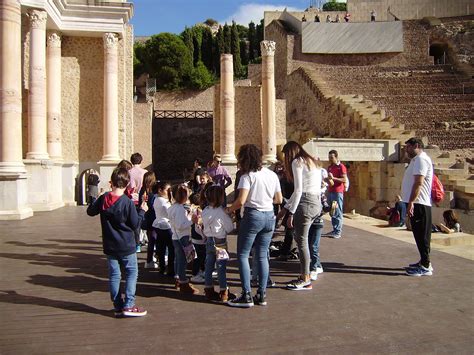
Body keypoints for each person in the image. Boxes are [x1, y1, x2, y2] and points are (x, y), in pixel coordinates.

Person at [86, 167, 148, 317]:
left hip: (110, 245)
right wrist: (142, 211)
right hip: (126, 245)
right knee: (131, 273)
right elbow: (135, 224)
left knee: (114, 275)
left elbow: (90, 211)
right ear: (127, 184)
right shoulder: (127, 202)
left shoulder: (104, 199)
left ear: (111, 182)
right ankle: (129, 304)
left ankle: (118, 306)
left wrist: (97, 196)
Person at [226, 144, 282, 307]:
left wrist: (229, 209)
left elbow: (241, 200)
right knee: (262, 254)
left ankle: (246, 295)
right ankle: (262, 294)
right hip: (269, 216)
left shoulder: (246, 176)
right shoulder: (272, 175)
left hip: (253, 215)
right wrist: (264, 201)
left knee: (243, 255)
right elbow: (278, 199)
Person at [281, 141, 322, 291]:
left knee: (301, 241)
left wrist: (291, 212)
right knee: (305, 240)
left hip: (305, 202)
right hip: (316, 203)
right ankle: (310, 270)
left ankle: (305, 277)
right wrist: (286, 208)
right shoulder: (312, 161)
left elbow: (298, 190)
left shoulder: (297, 162)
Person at [402, 137, 434, 277]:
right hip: (417, 203)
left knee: (422, 236)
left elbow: (419, 183)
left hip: (419, 203)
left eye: (408, 147)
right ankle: (423, 261)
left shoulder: (421, 159)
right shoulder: (416, 160)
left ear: (416, 145)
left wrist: (411, 202)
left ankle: (425, 266)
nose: (406, 150)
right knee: (418, 235)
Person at [200, 185, 235, 302]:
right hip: (220, 241)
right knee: (221, 267)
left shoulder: (204, 211)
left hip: (209, 239)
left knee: (209, 266)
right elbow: (229, 228)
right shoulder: (221, 212)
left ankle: (208, 289)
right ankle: (224, 291)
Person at [168, 184, 200, 294]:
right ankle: (183, 281)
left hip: (175, 237)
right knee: (183, 261)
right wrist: (192, 221)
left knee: (179, 259)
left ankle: (179, 278)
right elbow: (181, 225)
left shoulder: (172, 207)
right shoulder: (180, 209)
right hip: (182, 237)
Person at [323, 150, 347, 239]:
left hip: (337, 192)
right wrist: (327, 179)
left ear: (336, 157)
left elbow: (344, 179)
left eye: (332, 157)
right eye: (329, 157)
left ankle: (338, 231)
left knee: (337, 211)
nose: (330, 159)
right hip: (331, 191)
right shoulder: (330, 167)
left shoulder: (341, 167)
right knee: (332, 211)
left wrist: (334, 178)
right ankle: (335, 229)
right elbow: (331, 181)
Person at [152, 181, 175, 276]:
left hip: (158, 224)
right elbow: (171, 214)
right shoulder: (165, 202)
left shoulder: (156, 199)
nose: (169, 192)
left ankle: (162, 266)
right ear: (160, 190)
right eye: (167, 190)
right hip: (166, 225)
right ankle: (170, 268)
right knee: (171, 247)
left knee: (161, 246)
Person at [138, 172, 158, 269]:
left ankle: (150, 259)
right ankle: (152, 259)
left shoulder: (143, 190)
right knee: (155, 240)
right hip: (154, 218)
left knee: (151, 240)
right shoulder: (153, 192)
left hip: (147, 218)